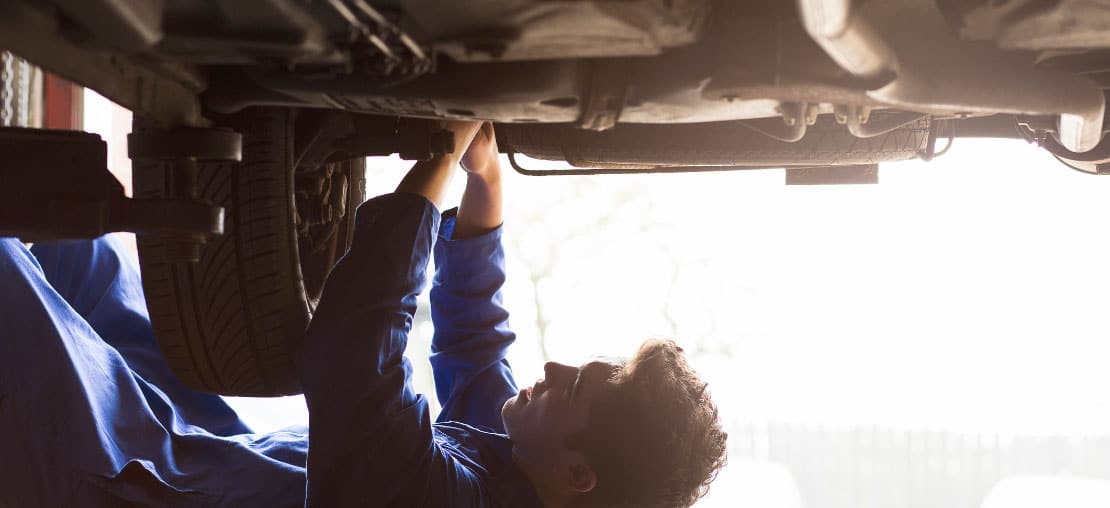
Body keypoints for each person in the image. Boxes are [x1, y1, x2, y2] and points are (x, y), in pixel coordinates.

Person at [0, 120, 727, 507]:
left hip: (133, 488)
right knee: (80, 255)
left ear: (578, 473)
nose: (556, 367)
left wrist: (436, 163)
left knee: (7, 271)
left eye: (575, 388)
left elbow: (354, 357)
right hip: (210, 454)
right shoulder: (519, 466)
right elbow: (476, 348)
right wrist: (484, 184)